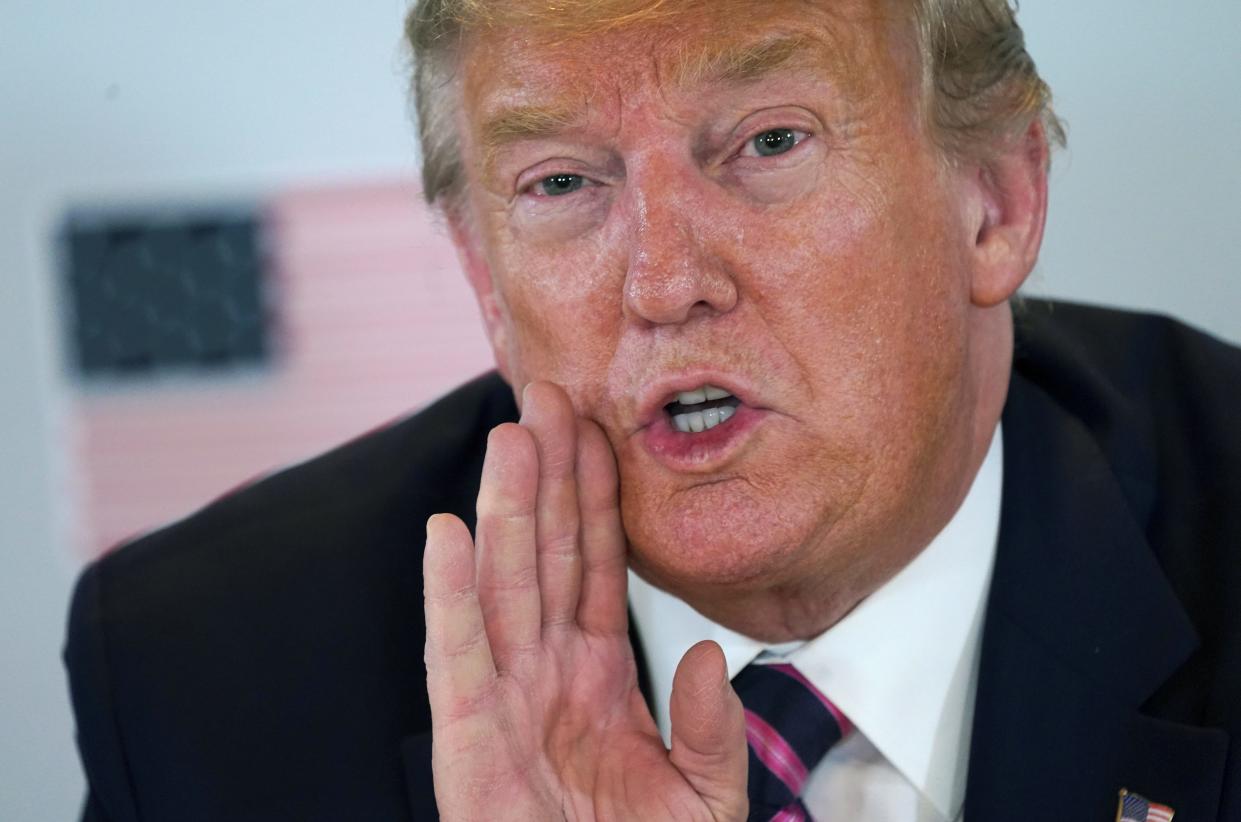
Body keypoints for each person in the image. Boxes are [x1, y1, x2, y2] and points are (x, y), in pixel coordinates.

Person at [64, 1, 1241, 821]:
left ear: (995, 198)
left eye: (768, 142)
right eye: (563, 184)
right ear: (482, 276)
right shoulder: (209, 685)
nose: (664, 281)